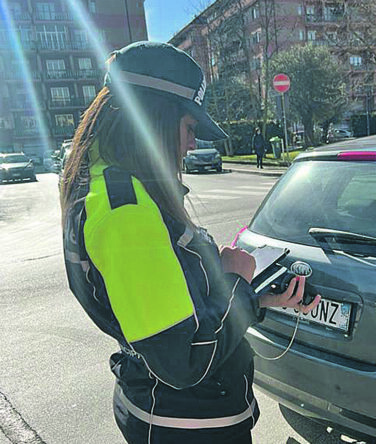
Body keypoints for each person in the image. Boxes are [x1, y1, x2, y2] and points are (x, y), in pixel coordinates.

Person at [60, 42, 320, 444]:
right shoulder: (127, 212)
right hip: (187, 425)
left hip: (176, 416)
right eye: (189, 128)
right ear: (153, 119)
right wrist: (237, 282)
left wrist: (257, 297)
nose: (192, 145)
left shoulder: (111, 184)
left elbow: (176, 312)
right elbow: (184, 360)